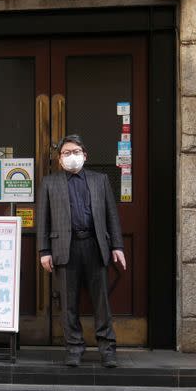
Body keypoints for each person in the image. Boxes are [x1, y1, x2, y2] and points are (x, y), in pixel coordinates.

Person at [36, 134, 126, 368]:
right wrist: (44, 250)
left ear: (85, 156)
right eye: (67, 153)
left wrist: (117, 246)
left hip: (96, 246)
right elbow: (43, 219)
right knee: (68, 303)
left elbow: (111, 215)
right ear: (60, 159)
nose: (72, 156)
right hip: (65, 247)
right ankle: (74, 348)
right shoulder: (50, 182)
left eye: (76, 152)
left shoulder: (100, 180)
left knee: (101, 301)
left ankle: (108, 349)